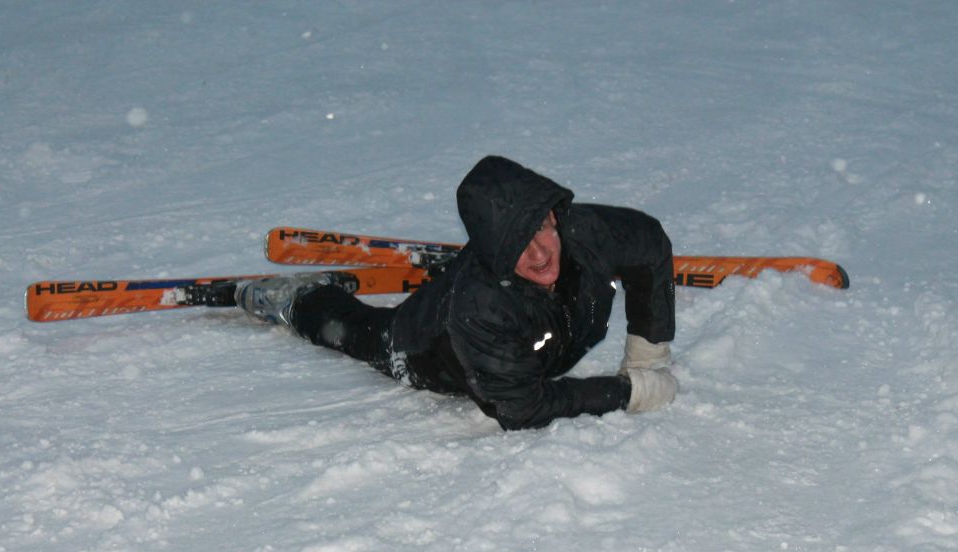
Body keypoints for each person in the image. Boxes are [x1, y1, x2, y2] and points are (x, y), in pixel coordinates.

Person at [234, 155, 677, 430]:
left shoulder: (587, 233)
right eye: (517, 246)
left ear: (555, 218)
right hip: (425, 345)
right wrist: (626, 392)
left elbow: (649, 243)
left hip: (524, 325)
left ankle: (466, 262)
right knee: (359, 333)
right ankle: (298, 300)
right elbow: (522, 408)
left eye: (541, 230)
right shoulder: (478, 310)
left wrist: (648, 354)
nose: (540, 253)